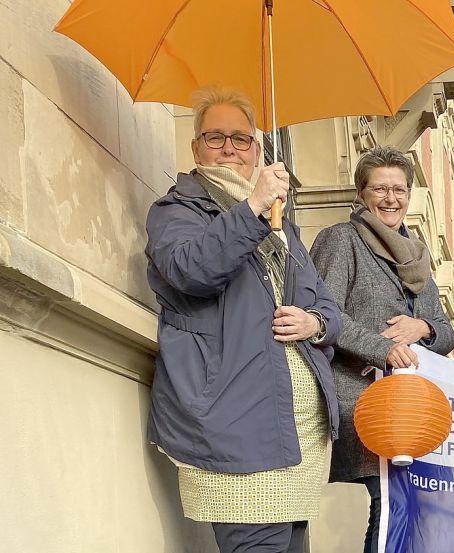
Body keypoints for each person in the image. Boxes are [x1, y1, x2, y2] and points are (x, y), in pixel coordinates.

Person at [145, 86, 342, 553]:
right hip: (235, 431)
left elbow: (328, 307)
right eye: (215, 137)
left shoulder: (282, 227)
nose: (229, 147)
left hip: (294, 439)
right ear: (195, 147)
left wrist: (315, 323)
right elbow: (191, 270)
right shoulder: (177, 210)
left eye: (241, 138)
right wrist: (252, 207)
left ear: (256, 150)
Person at [309, 144, 454, 553]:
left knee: (408, 505)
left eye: (399, 189)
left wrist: (422, 326)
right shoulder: (341, 240)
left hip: (414, 403)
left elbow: (446, 334)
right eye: (380, 189)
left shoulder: (417, 254)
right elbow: (323, 315)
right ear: (361, 194)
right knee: (387, 503)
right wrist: (383, 347)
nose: (391, 198)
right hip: (365, 397)